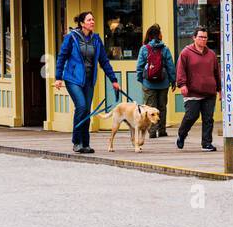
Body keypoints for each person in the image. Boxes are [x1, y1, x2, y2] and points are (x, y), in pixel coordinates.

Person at [53, 12, 120, 154]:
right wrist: (58, 77)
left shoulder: (96, 39)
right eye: (89, 20)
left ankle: (85, 143)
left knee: (87, 111)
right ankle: (77, 142)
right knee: (81, 107)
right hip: (73, 79)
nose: (92, 22)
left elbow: (104, 61)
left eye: (93, 19)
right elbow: (62, 57)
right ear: (82, 23)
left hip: (89, 80)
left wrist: (113, 79)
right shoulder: (71, 38)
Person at [175, 27, 220, 151]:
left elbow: (217, 73)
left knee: (208, 119)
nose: (203, 39)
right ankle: (181, 135)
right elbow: (180, 70)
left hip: (209, 91)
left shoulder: (211, 54)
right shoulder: (186, 52)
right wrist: (182, 84)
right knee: (191, 116)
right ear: (194, 38)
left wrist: (220, 89)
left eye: (205, 37)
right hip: (192, 91)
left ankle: (206, 143)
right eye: (200, 37)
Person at [136, 24, 176, 137]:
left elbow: (139, 66)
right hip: (163, 83)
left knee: (149, 108)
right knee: (162, 107)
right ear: (159, 35)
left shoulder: (144, 48)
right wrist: (173, 81)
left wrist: (141, 79)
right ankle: (162, 130)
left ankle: (152, 132)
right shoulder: (165, 49)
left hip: (148, 84)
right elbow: (170, 66)